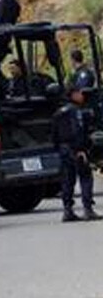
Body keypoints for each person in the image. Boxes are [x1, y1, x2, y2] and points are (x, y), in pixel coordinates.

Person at [52, 86, 98, 222]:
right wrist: (80, 149)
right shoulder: (76, 111)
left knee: (67, 179)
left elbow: (53, 134)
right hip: (75, 149)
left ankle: (67, 210)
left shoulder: (58, 112)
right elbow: (76, 131)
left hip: (63, 149)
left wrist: (58, 149)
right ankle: (88, 209)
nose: (82, 96)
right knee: (85, 176)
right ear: (73, 95)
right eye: (79, 93)